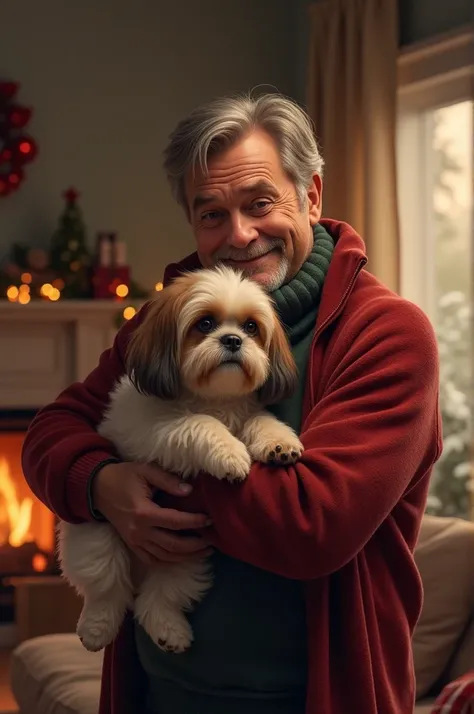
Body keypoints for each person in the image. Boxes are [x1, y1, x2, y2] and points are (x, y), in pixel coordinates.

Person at [22, 92, 442, 714]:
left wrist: (155, 485)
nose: (238, 235)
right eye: (211, 214)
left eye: (260, 204)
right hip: (159, 691)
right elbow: (51, 431)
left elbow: (313, 527)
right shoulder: (169, 321)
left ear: (312, 196)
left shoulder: (385, 335)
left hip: (315, 697)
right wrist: (101, 482)